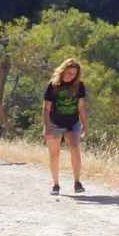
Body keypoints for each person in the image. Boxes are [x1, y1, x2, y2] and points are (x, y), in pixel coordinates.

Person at [42, 57, 87, 195]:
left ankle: (77, 182)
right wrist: (47, 127)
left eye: (74, 74)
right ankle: (56, 184)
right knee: (54, 154)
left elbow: (81, 105)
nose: (71, 76)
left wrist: (85, 123)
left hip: (72, 122)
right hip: (54, 123)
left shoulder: (79, 86)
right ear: (62, 71)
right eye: (69, 73)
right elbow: (46, 108)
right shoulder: (53, 86)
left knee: (74, 148)